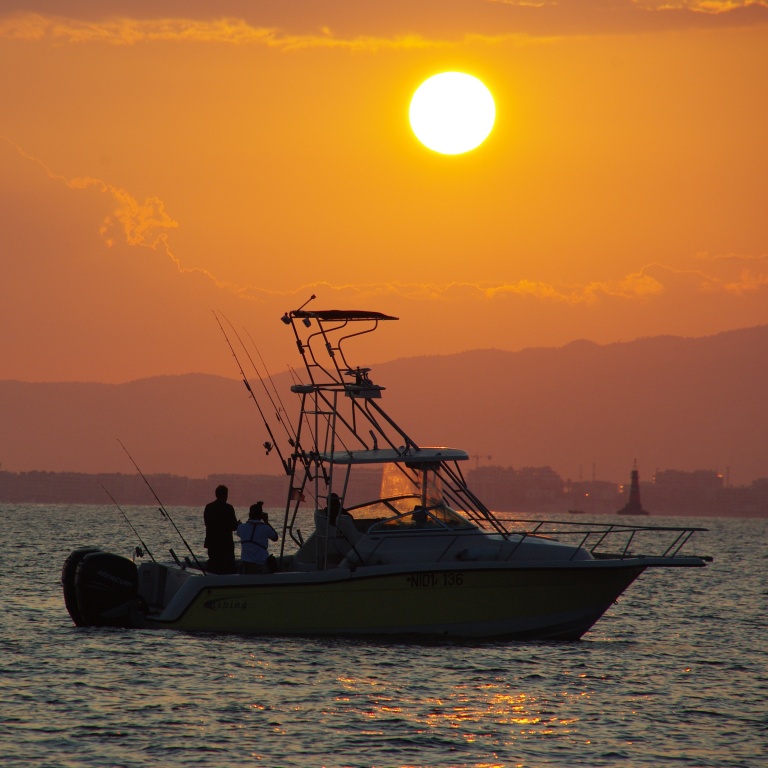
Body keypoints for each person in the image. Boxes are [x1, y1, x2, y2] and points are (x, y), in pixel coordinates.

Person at [203, 484, 239, 574]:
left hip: (212, 543)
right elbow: (234, 526)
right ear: (226, 495)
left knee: (214, 566)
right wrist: (238, 524)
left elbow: (207, 523)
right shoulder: (228, 508)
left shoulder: (209, 507)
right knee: (228, 567)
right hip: (226, 544)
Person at [237, 501, 278, 574]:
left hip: (246, 565)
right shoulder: (266, 528)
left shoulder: (241, 527)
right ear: (261, 516)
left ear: (249, 514)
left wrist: (239, 525)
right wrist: (266, 522)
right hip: (261, 565)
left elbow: (240, 532)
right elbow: (275, 538)